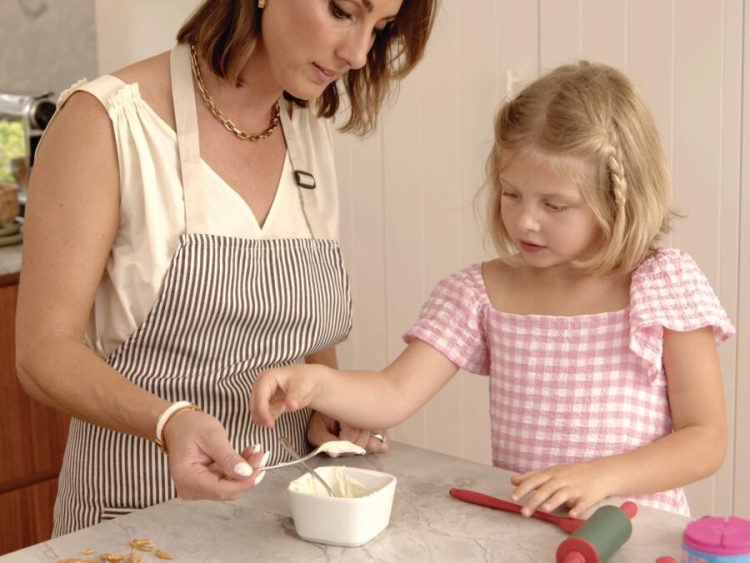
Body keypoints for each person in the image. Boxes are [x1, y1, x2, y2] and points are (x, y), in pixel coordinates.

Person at [15, 0, 436, 535]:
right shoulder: (109, 122)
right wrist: (168, 422)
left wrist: (325, 403)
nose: (357, 54)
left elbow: (303, 327)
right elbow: (42, 353)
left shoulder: (305, 127)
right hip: (135, 522)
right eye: (341, 10)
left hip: (280, 521)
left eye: (379, 29)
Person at [251, 60, 735, 518]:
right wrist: (316, 384)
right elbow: (393, 392)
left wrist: (600, 478)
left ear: (618, 200)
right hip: (529, 534)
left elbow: (704, 438)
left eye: (555, 204)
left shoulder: (662, 284)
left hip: (636, 539)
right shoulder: (479, 293)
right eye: (512, 193)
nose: (525, 219)